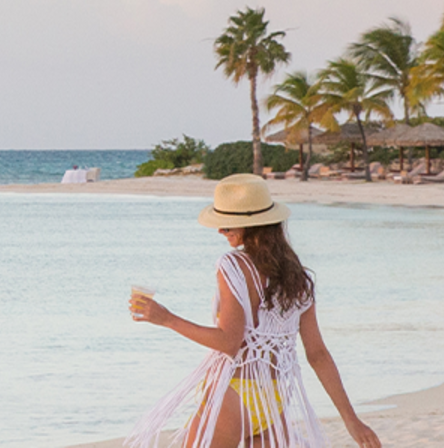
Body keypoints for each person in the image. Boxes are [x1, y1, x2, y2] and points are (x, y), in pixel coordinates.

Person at [123, 175, 380, 448]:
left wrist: (166, 318)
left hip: (233, 394)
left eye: (227, 223)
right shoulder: (297, 277)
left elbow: (228, 342)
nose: (221, 231)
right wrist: (351, 420)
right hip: (274, 398)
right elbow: (318, 354)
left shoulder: (232, 265)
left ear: (252, 224)